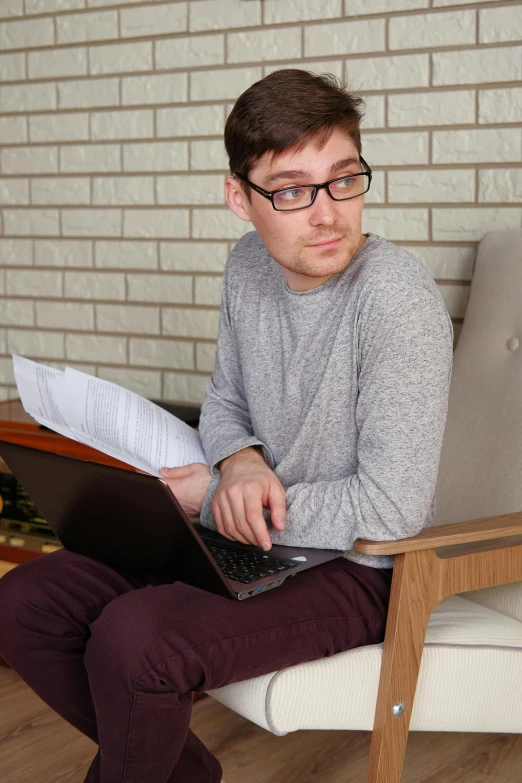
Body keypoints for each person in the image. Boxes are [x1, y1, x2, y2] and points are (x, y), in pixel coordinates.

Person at [0, 69, 453, 783]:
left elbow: (392, 508)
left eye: (344, 179)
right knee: (27, 602)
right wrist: (239, 459)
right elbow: (224, 400)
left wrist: (214, 495)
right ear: (239, 198)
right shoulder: (247, 266)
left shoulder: (397, 300)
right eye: (292, 190)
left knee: (135, 640)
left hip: (355, 571)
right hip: (258, 544)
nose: (329, 213)